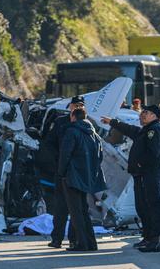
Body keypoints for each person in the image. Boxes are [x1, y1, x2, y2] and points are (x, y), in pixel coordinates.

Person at [101, 105, 160, 252]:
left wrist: (140, 164)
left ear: (155, 116)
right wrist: (112, 122)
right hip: (144, 175)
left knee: (152, 207)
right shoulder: (146, 130)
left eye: (147, 113)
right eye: (142, 112)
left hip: (150, 174)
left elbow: (153, 153)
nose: (142, 115)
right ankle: (149, 238)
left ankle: (156, 240)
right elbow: (130, 129)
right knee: (143, 207)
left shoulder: (153, 130)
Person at [58, 108, 106, 251]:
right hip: (87, 177)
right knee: (84, 211)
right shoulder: (94, 135)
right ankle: (91, 243)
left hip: (72, 176)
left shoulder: (72, 132)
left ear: (73, 117)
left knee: (75, 212)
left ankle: (82, 243)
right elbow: (100, 157)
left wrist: (61, 173)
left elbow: (65, 154)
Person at [46, 96, 85, 248]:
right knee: (60, 206)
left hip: (78, 171)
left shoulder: (86, 123)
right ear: (70, 106)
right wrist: (58, 160)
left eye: (80, 105)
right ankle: (57, 239)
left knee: (77, 207)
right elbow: (50, 143)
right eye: (75, 105)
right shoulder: (60, 122)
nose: (76, 107)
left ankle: (74, 239)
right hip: (62, 169)